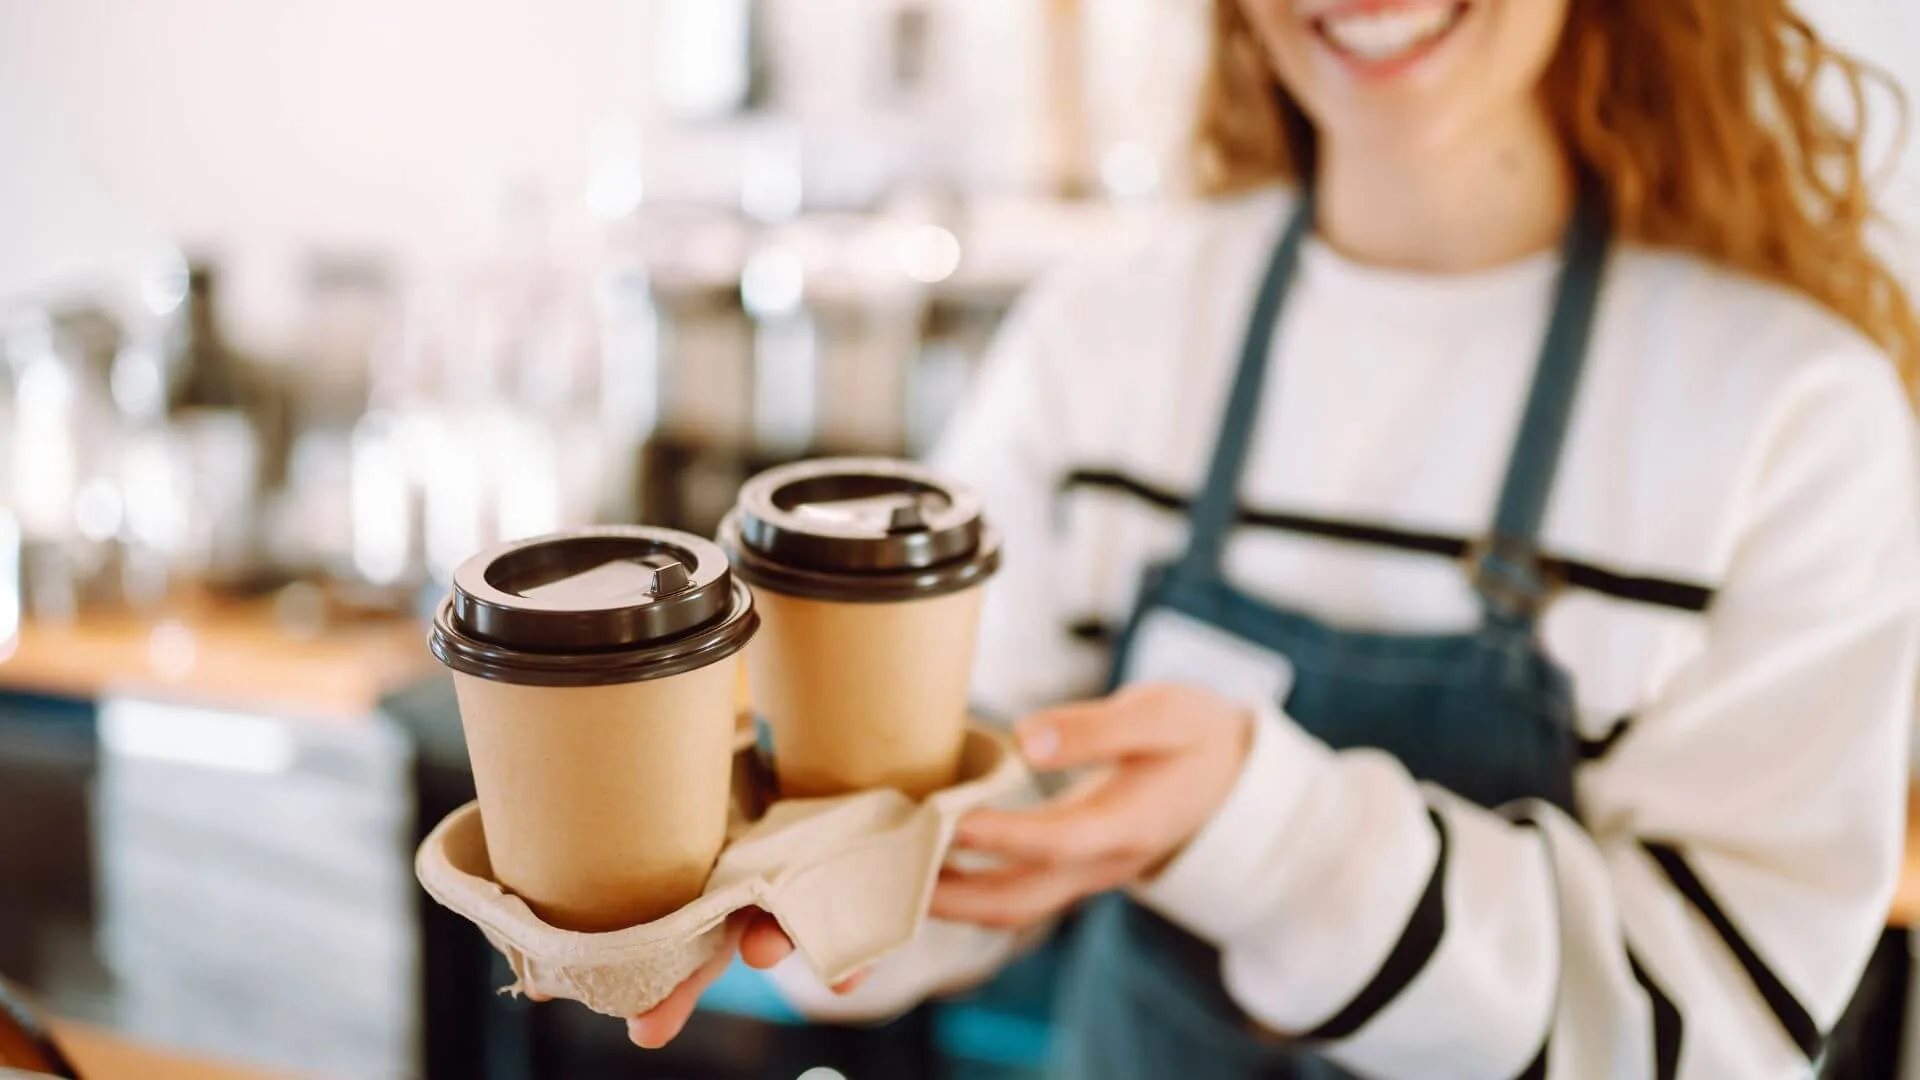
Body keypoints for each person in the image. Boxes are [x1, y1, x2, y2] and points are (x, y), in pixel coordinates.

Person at [607, 0, 1920, 1074]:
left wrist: (1259, 830)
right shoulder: (1109, 338)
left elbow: (1719, 1033)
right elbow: (961, 805)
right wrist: (805, 881)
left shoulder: (1791, 417)